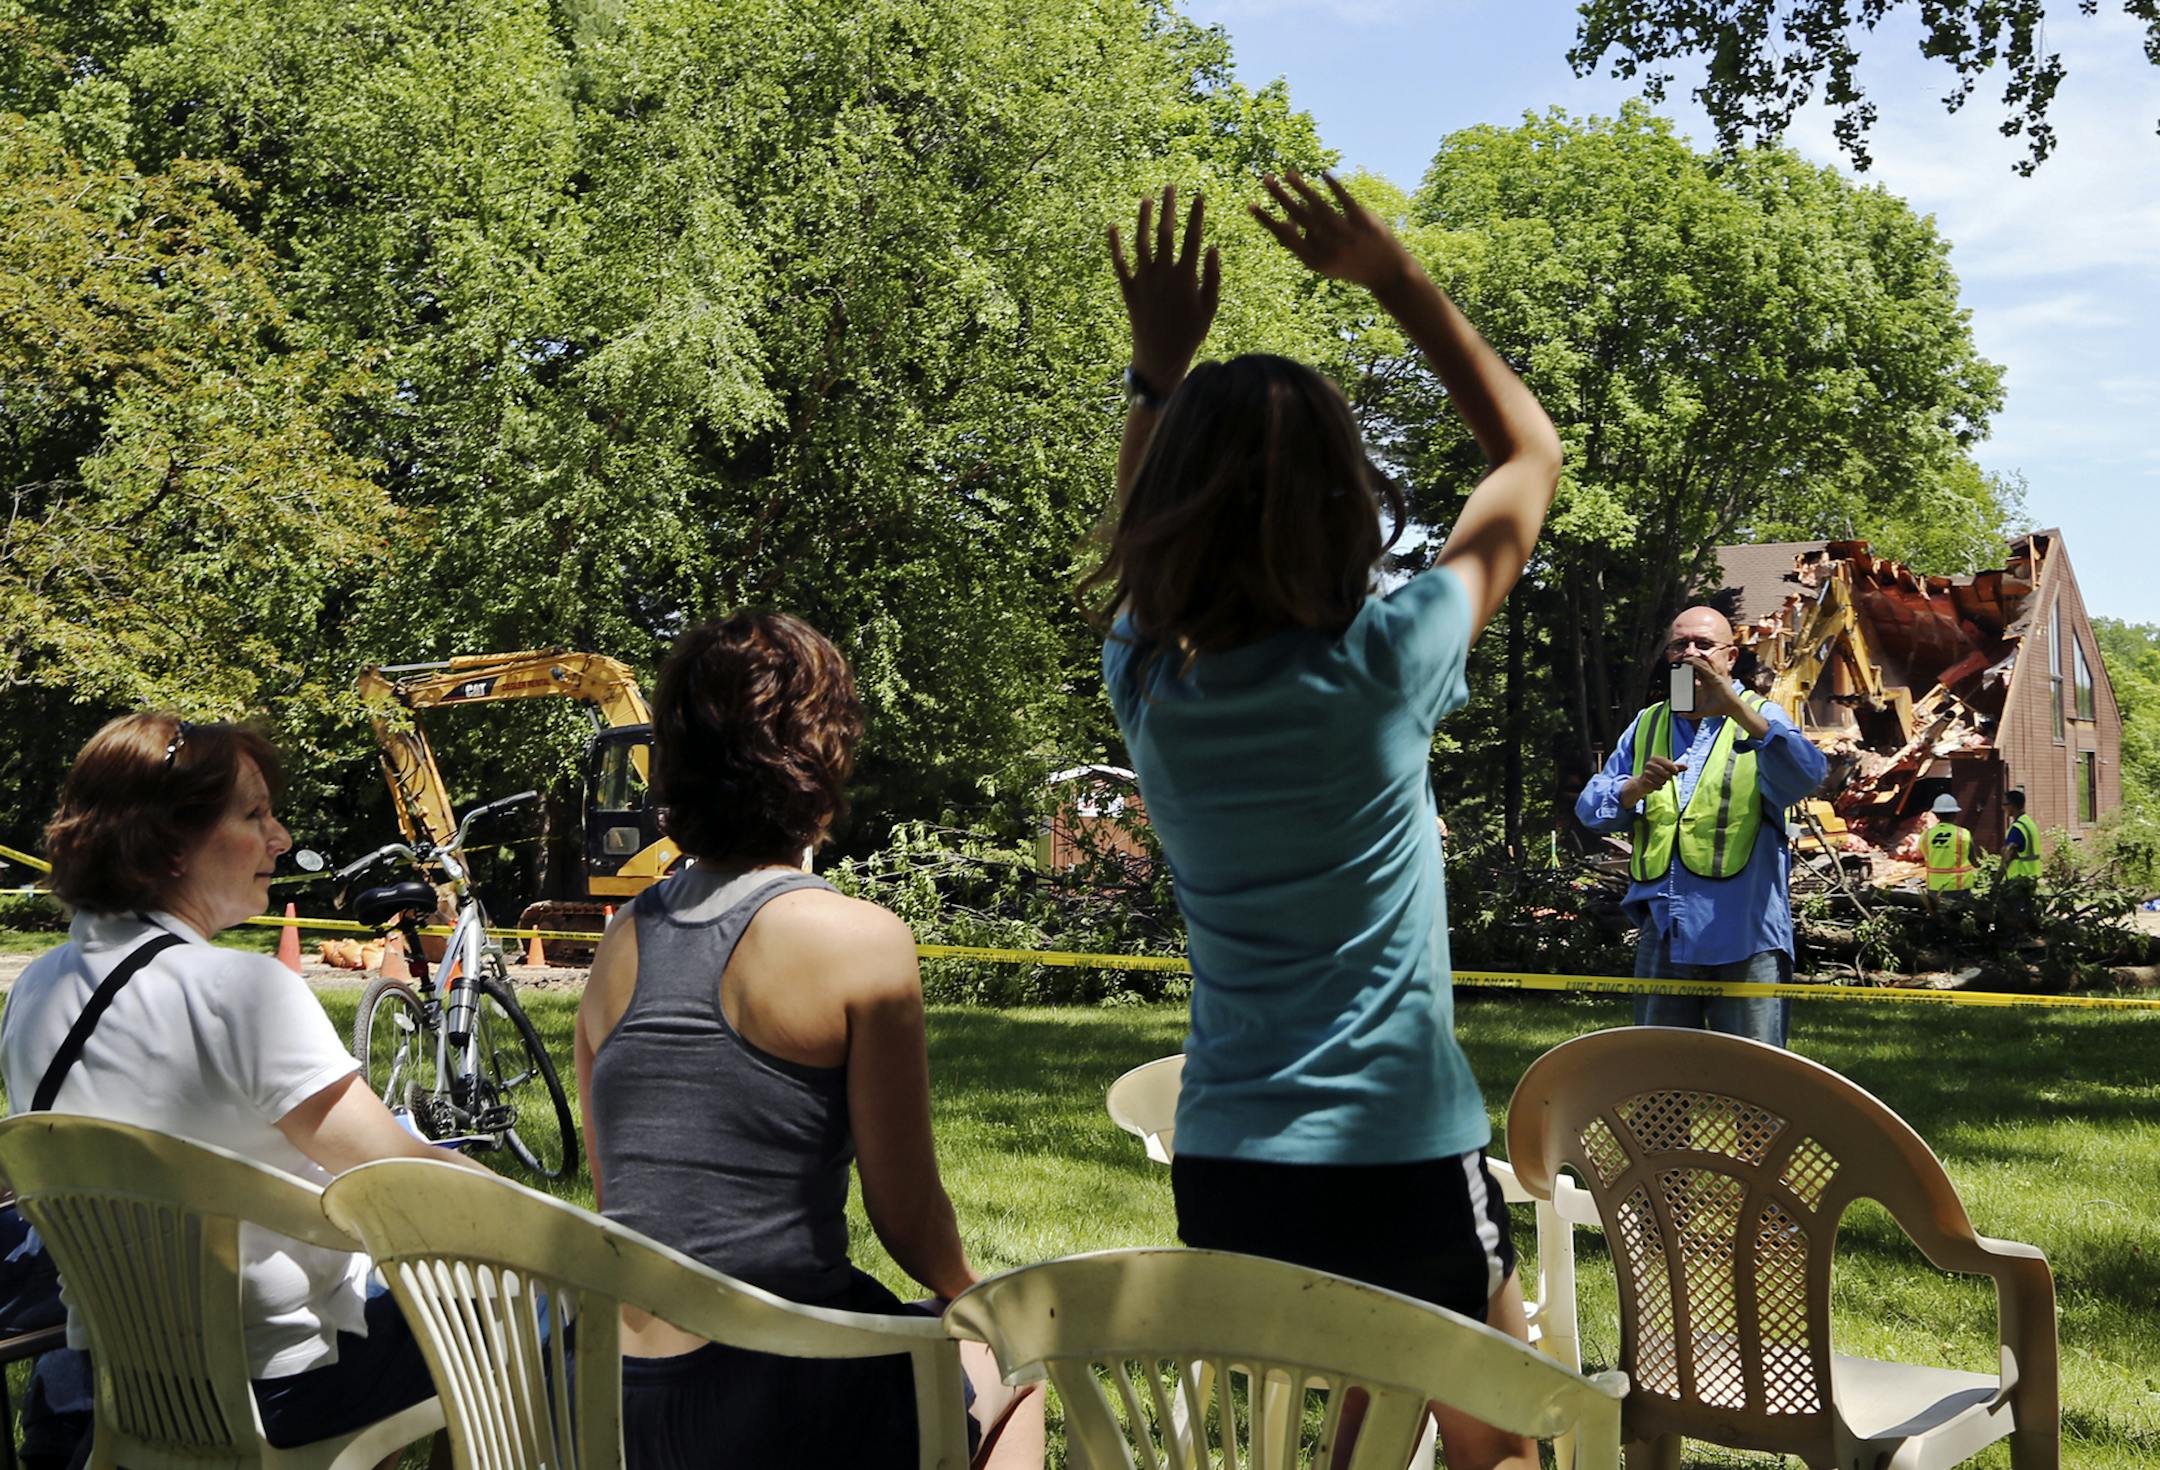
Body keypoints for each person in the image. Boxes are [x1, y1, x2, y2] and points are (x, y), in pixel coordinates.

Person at [1086, 175, 1561, 1470]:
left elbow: (1140, 560)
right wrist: (1395, 278)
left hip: (1230, 1161)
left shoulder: (1151, 686)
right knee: (1499, 1446)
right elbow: (1529, 454)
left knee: (1360, 1436)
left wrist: (1155, 373)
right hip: (1397, 1152)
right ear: (1346, 502)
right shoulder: (1385, 664)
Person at [574, 612, 1042, 1470]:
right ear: (820, 758)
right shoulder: (857, 940)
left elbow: (627, 1206)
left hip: (607, 1395)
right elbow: (905, 1219)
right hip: (775, 1397)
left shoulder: (619, 943)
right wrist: (980, 1298)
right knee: (1018, 1360)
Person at [0, 713, 483, 1455]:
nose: (281, 837)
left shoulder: (36, 987)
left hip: (110, 1379)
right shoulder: (241, 990)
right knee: (549, 1311)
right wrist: (525, 1206)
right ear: (166, 840)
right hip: (272, 1388)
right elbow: (406, 1182)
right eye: (254, 815)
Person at [1575, 607, 1827, 1048]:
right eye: (1679, 644)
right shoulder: (1648, 723)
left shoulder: (1760, 716)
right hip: (1665, 934)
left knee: (1756, 1082)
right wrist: (1634, 788)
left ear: (1731, 657)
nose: (1690, 653)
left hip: (1745, 937)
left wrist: (1733, 707)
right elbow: (1591, 810)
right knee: (1662, 1083)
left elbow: (1807, 775)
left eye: (1704, 645)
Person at [1923, 793, 1977, 903]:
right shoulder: (1963, 833)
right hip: (1959, 888)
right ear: (1954, 814)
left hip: (1934, 888)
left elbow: (1927, 857)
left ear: (1936, 815)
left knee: (1937, 918)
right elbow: (1973, 860)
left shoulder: (1925, 836)